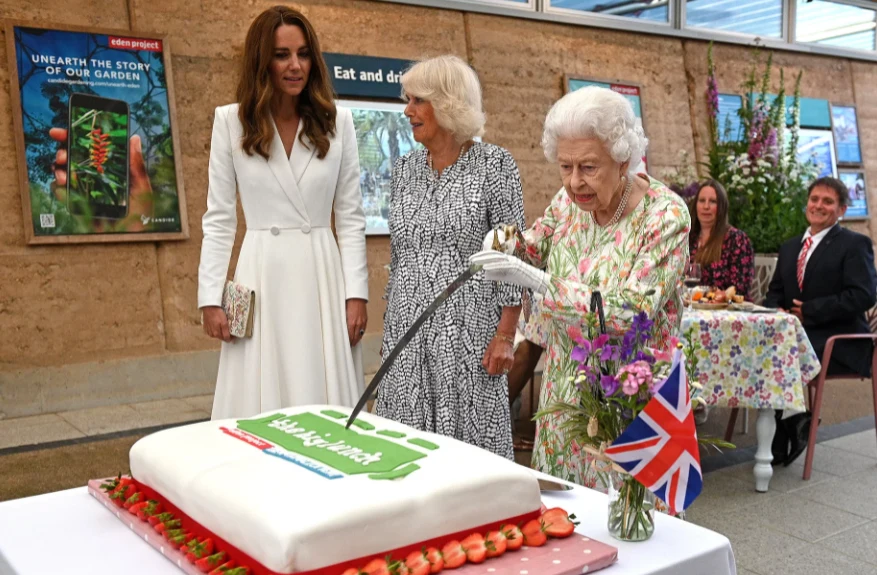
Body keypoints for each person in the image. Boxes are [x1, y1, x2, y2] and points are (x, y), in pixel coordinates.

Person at [471, 86, 690, 487]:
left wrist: (537, 281)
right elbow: (533, 245)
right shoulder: (569, 201)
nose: (574, 182)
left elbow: (630, 311)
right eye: (565, 167)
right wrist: (502, 241)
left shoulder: (666, 215)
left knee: (633, 524)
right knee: (565, 515)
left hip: (631, 394)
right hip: (566, 391)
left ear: (623, 159)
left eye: (588, 167)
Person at [198, 6, 368, 419]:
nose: (296, 65)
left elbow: (350, 216)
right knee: (258, 400)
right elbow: (219, 218)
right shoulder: (230, 122)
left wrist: (355, 294)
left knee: (323, 394)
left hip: (321, 275)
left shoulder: (337, 122)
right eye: (282, 55)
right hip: (260, 273)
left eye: (304, 53)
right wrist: (210, 297)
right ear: (262, 61)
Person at [376, 55, 526, 460]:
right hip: (408, 330)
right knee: (407, 452)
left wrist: (506, 335)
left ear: (447, 103)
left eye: (417, 101)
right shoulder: (405, 169)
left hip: (469, 334)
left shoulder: (495, 165)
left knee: (469, 455)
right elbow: (401, 252)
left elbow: (511, 255)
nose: (407, 111)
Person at [765, 176, 877, 465]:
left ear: (841, 210)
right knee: (760, 349)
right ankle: (790, 423)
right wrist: (777, 311)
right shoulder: (791, 247)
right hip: (796, 339)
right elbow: (774, 293)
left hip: (839, 342)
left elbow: (864, 295)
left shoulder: (855, 244)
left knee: (779, 354)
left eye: (828, 201)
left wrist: (811, 310)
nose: (819, 206)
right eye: (814, 199)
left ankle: (784, 429)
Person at [689, 180, 755, 299]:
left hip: (726, 311)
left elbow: (740, 288)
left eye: (713, 201)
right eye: (702, 201)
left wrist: (708, 296)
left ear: (722, 207)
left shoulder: (737, 239)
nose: (706, 206)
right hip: (692, 307)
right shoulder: (689, 239)